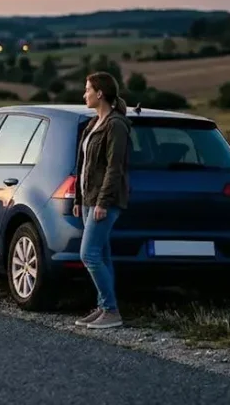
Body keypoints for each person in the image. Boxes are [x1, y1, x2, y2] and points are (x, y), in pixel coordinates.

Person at [73, 71, 132, 329]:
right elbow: (83, 164)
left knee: (89, 254)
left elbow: (114, 168)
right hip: (89, 199)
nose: (84, 94)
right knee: (103, 255)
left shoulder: (116, 125)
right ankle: (103, 306)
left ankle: (111, 310)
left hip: (104, 201)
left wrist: (103, 202)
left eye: (87, 89)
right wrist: (78, 199)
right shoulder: (93, 124)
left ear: (100, 93)